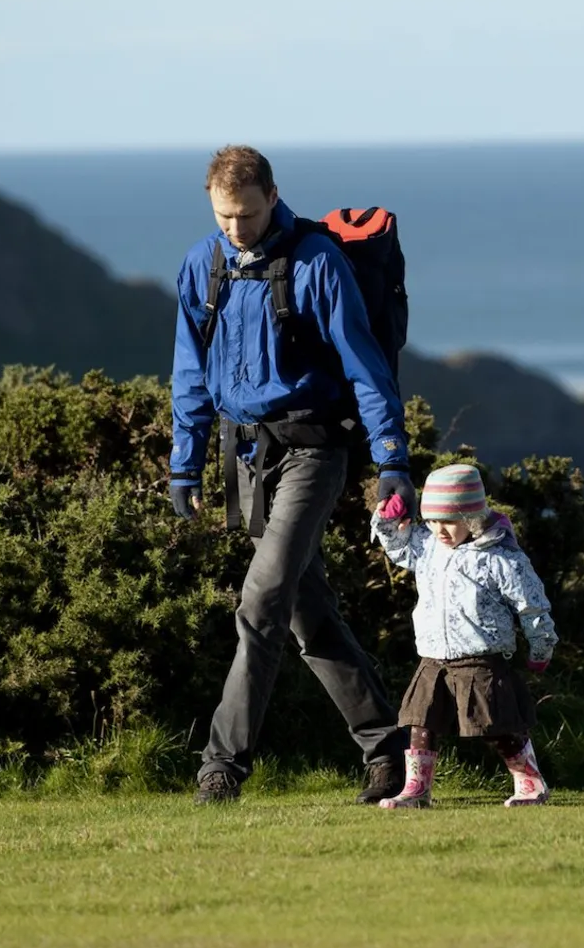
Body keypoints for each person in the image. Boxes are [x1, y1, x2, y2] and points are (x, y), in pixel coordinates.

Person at [170, 145, 416, 805]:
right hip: (243, 453)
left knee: (261, 603)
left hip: (314, 451)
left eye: (247, 215)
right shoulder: (204, 263)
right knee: (307, 614)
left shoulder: (317, 262)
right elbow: (190, 369)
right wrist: (183, 463)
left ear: (273, 197)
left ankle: (221, 767)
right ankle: (389, 748)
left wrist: (392, 459)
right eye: (225, 217)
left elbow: (366, 367)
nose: (237, 229)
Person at [369, 462, 558, 809]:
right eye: (433, 521)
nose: (440, 530)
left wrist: (541, 646)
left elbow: (532, 605)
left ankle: (530, 783)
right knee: (420, 724)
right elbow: (397, 548)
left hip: (481, 657)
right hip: (434, 656)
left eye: (450, 521)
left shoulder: (501, 557)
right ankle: (416, 790)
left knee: (499, 727)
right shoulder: (427, 547)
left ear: (472, 517)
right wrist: (386, 520)